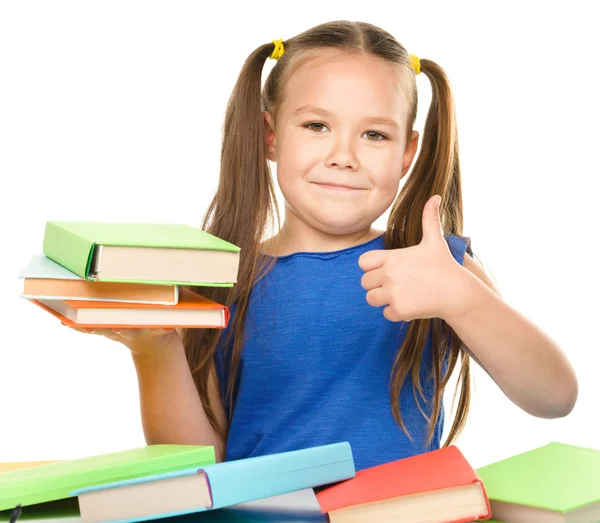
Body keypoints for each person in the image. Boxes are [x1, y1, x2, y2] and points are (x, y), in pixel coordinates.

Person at [70, 20, 578, 471]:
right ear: (271, 136)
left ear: (407, 153)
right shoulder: (226, 281)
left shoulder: (434, 265)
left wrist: (461, 296)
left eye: (374, 135)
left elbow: (554, 397)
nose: (343, 156)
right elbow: (198, 470)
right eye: (317, 126)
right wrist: (154, 348)